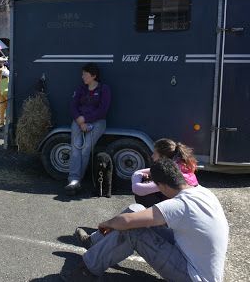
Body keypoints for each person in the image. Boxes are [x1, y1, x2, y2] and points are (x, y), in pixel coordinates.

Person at [67, 158, 229, 282]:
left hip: (193, 276)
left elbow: (127, 222)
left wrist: (106, 224)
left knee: (132, 231)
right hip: (191, 256)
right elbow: (136, 217)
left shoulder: (179, 205)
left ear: (161, 186)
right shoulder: (202, 192)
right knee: (135, 210)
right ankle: (94, 242)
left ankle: (86, 271)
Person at [65, 63, 111, 195]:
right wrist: (79, 119)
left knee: (85, 149)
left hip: (97, 123)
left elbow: (103, 110)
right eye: (82, 74)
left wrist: (86, 119)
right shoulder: (81, 88)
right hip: (79, 121)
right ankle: (73, 180)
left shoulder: (104, 89)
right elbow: (73, 106)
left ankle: (78, 179)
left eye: (85, 74)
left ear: (94, 76)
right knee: (76, 148)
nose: (82, 77)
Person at [132, 138, 199, 207]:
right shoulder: (180, 165)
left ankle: (156, 214)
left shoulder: (170, 174)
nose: (152, 156)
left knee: (143, 193)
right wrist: (140, 173)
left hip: (183, 206)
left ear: (163, 157)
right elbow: (150, 171)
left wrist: (137, 175)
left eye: (154, 153)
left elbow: (137, 189)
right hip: (190, 202)